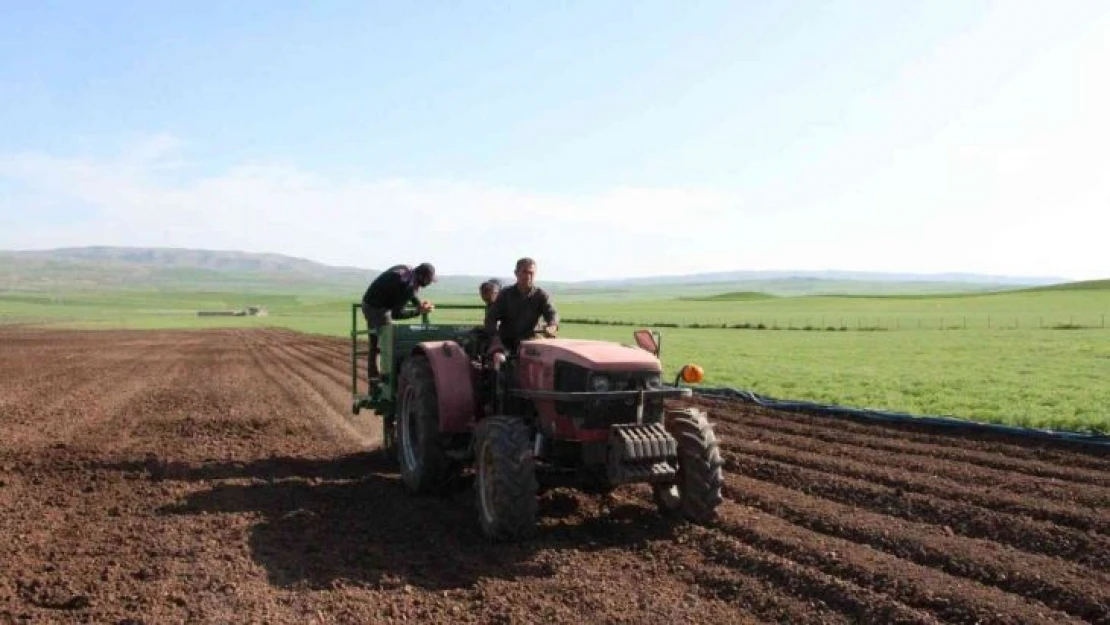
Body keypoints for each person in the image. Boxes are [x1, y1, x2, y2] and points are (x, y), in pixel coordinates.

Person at [361, 262, 436, 380]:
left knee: (375, 344)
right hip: (377, 309)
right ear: (422, 277)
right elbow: (397, 314)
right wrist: (419, 311)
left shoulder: (407, 270)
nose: (429, 284)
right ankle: (385, 378)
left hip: (369, 302)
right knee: (387, 340)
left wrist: (418, 304)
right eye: (428, 281)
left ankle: (374, 378)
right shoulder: (408, 287)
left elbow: (410, 292)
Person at [484, 257, 558, 367]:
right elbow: (491, 319)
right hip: (507, 344)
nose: (528, 276)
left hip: (532, 344)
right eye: (524, 272)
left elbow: (552, 314)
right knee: (500, 362)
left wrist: (552, 326)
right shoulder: (505, 295)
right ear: (516, 273)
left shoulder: (541, 295)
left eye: (531, 273)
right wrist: (496, 343)